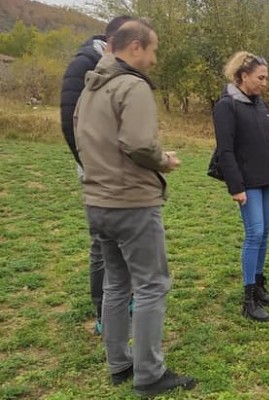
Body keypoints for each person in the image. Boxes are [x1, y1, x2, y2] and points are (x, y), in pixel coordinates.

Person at [74, 19, 196, 396]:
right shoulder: (132, 86)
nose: (156, 59)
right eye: (154, 50)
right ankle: (149, 374)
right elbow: (140, 144)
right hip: (131, 203)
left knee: (116, 284)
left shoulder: (91, 88)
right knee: (151, 286)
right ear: (136, 47)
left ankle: (119, 363)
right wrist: (165, 161)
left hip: (98, 201)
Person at [60, 15, 134, 335]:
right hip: (97, 169)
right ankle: (103, 308)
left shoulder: (121, 67)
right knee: (102, 243)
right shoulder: (85, 63)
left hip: (122, 169)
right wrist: (91, 166)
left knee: (126, 237)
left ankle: (123, 299)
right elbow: (69, 120)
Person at [212, 51, 269, 322]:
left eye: (266, 78)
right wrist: (236, 186)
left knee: (265, 233)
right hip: (247, 183)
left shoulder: (260, 104)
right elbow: (225, 151)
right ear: (243, 76)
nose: (265, 83)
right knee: (254, 233)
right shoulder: (226, 106)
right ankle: (247, 300)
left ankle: (259, 286)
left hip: (268, 179)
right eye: (261, 77)